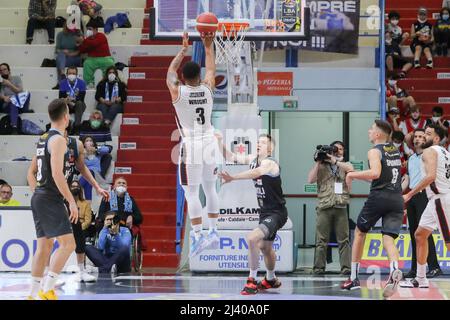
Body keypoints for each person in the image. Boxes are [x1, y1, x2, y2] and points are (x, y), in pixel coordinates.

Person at [166, 32, 220, 257]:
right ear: (199, 76)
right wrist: (208, 47)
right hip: (210, 141)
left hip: (192, 146)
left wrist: (183, 50)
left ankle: (198, 235)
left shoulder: (178, 91)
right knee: (210, 188)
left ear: (184, 78)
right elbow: (211, 69)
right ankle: (214, 231)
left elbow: (169, 73)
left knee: (191, 191)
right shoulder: (208, 87)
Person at [218, 134, 287, 295]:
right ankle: (271, 279)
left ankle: (251, 281)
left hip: (277, 213)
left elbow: (257, 172)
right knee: (265, 247)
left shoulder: (270, 163)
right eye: (258, 142)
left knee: (252, 238)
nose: (259, 144)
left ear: (270, 148)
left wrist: (233, 178)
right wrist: (219, 141)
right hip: (265, 212)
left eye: (263, 143)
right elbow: (231, 156)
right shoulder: (252, 159)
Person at [341, 120, 403, 298]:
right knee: (388, 239)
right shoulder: (395, 151)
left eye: (371, 130)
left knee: (360, 233)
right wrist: (360, 176)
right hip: (396, 199)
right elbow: (381, 176)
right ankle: (394, 270)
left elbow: (375, 173)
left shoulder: (374, 151)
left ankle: (353, 278)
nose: (369, 131)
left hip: (379, 198)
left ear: (377, 135)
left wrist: (352, 174)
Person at [27, 99, 78, 300]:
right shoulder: (58, 140)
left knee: (44, 247)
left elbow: (31, 172)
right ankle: (47, 289)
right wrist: (71, 201)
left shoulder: (43, 137)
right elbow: (57, 174)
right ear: (66, 117)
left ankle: (32, 294)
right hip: (49, 196)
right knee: (68, 245)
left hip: (40, 196)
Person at [400, 125, 450, 288]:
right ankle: (421, 278)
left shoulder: (429, 151)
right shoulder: (444, 152)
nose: (422, 137)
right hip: (435, 199)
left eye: (427, 134)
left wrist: (409, 193)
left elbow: (430, 177)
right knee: (420, 235)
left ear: (436, 139)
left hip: (440, 198)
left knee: (448, 242)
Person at [307, 141, 353, 275]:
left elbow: (351, 170)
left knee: (343, 240)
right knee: (321, 240)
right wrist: (318, 162)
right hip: (324, 206)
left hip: (340, 206)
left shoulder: (346, 165)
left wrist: (336, 162)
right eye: (336, 149)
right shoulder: (321, 166)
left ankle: (346, 268)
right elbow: (310, 179)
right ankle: (318, 268)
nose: (339, 151)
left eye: (341, 149)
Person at [77, 24, 115, 88]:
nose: (89, 31)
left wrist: (84, 40)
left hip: (105, 58)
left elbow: (94, 43)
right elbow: (82, 50)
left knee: (110, 63)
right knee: (87, 63)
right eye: (88, 29)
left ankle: (109, 82)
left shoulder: (101, 35)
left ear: (96, 30)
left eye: (90, 29)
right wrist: (80, 43)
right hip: (92, 59)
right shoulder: (87, 40)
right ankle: (89, 83)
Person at [0, 63, 31, 134]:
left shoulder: (16, 78)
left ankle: (25, 109)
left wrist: (9, 84)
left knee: (27, 93)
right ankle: (14, 127)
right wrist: (4, 97)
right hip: (9, 105)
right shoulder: (1, 83)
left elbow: (20, 91)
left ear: (9, 70)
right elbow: (2, 96)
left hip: (19, 103)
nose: (3, 71)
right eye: (1, 70)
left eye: (4, 69)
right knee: (13, 102)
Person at [79, 135, 112, 200]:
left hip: (97, 175)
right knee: (88, 179)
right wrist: (83, 153)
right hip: (85, 174)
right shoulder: (81, 153)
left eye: (90, 141)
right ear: (83, 143)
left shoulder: (98, 153)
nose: (89, 142)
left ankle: (77, 189)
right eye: (87, 141)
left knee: (89, 173)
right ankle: (89, 203)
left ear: (93, 143)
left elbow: (108, 149)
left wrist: (96, 149)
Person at [59, 66, 87, 134]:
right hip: (67, 104)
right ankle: (66, 127)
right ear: (67, 74)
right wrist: (68, 101)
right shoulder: (63, 83)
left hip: (78, 105)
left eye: (73, 73)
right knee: (61, 104)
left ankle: (77, 126)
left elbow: (81, 97)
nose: (71, 75)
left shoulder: (82, 83)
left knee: (79, 103)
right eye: (70, 73)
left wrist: (71, 101)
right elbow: (61, 97)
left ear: (76, 74)